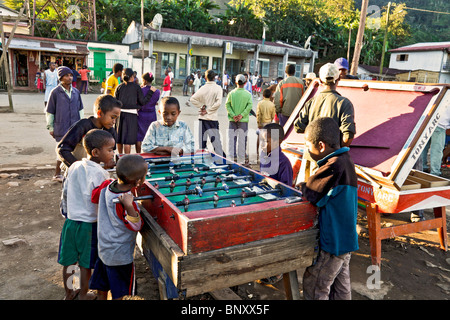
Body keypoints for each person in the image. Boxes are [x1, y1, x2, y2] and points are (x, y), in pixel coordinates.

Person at [298, 117, 358, 300]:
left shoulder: (333, 166)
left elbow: (312, 193)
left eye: (309, 145)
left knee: (315, 284)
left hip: (333, 242)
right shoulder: (345, 160)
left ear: (321, 146)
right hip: (346, 240)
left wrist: (302, 185)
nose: (308, 150)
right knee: (340, 287)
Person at [58, 129, 116, 300]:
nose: (113, 153)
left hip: (70, 223)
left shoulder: (74, 165)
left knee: (69, 261)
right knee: (85, 264)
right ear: (96, 152)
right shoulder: (100, 173)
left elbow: (65, 192)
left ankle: (69, 293)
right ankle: (83, 294)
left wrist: (66, 212)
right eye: (110, 149)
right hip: (89, 225)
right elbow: (101, 200)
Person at [89, 154, 147, 300]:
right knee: (122, 293)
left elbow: (94, 196)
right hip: (120, 257)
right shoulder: (125, 201)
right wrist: (129, 206)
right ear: (139, 181)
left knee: (102, 286)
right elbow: (136, 225)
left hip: (104, 250)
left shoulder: (107, 185)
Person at [294, 63, 356, 183]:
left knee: (308, 196)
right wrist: (338, 149)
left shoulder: (311, 102)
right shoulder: (344, 103)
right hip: (330, 163)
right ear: (338, 79)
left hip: (310, 158)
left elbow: (298, 127)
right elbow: (348, 136)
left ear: (320, 80)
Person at [57, 94, 121, 171]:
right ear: (99, 113)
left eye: (116, 119)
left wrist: (109, 161)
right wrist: (78, 167)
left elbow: (111, 152)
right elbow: (62, 149)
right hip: (75, 172)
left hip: (96, 172)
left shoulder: (110, 130)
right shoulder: (83, 126)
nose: (114, 122)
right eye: (112, 117)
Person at [45, 66, 84, 182]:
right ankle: (57, 174)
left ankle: (70, 174)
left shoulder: (76, 92)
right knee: (61, 151)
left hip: (75, 126)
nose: (69, 78)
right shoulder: (55, 93)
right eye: (66, 76)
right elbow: (50, 112)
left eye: (71, 75)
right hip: (60, 127)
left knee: (74, 151)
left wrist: (82, 125)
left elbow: (80, 110)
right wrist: (51, 127)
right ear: (60, 78)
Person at [115, 68, 154, 154]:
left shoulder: (119, 87)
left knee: (120, 138)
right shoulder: (136, 87)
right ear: (132, 77)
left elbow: (116, 102)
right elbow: (143, 101)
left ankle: (120, 156)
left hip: (120, 114)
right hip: (131, 115)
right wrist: (150, 92)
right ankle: (127, 159)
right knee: (127, 140)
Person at [190, 69, 226, 160]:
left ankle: (201, 161)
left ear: (205, 78)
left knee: (202, 142)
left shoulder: (203, 88)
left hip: (202, 118)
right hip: (212, 119)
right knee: (216, 142)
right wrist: (208, 110)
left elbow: (192, 99)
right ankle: (222, 160)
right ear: (215, 77)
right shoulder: (218, 88)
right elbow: (218, 103)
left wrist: (202, 107)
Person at [225, 74, 253, 165]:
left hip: (232, 120)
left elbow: (227, 105)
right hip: (243, 120)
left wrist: (233, 115)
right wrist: (242, 115)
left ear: (236, 82)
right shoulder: (248, 94)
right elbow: (249, 106)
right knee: (242, 139)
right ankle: (241, 158)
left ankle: (232, 157)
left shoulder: (231, 93)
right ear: (245, 83)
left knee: (232, 138)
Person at [422, 106, 450, 177]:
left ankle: (422, 168)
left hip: (427, 121)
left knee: (423, 147)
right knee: (436, 150)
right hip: (440, 124)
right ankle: (435, 173)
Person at [136, 72, 160, 153]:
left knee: (139, 136)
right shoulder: (157, 91)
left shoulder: (140, 90)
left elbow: (138, 102)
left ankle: (139, 154)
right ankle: (149, 154)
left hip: (141, 115)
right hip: (152, 114)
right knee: (151, 134)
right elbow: (155, 101)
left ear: (145, 81)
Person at [256, 88, 276, 158]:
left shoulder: (260, 103)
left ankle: (257, 152)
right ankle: (266, 153)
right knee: (267, 139)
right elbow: (273, 115)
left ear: (263, 95)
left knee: (259, 137)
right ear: (270, 95)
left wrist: (259, 124)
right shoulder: (272, 104)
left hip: (261, 123)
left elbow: (258, 114)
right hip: (269, 123)